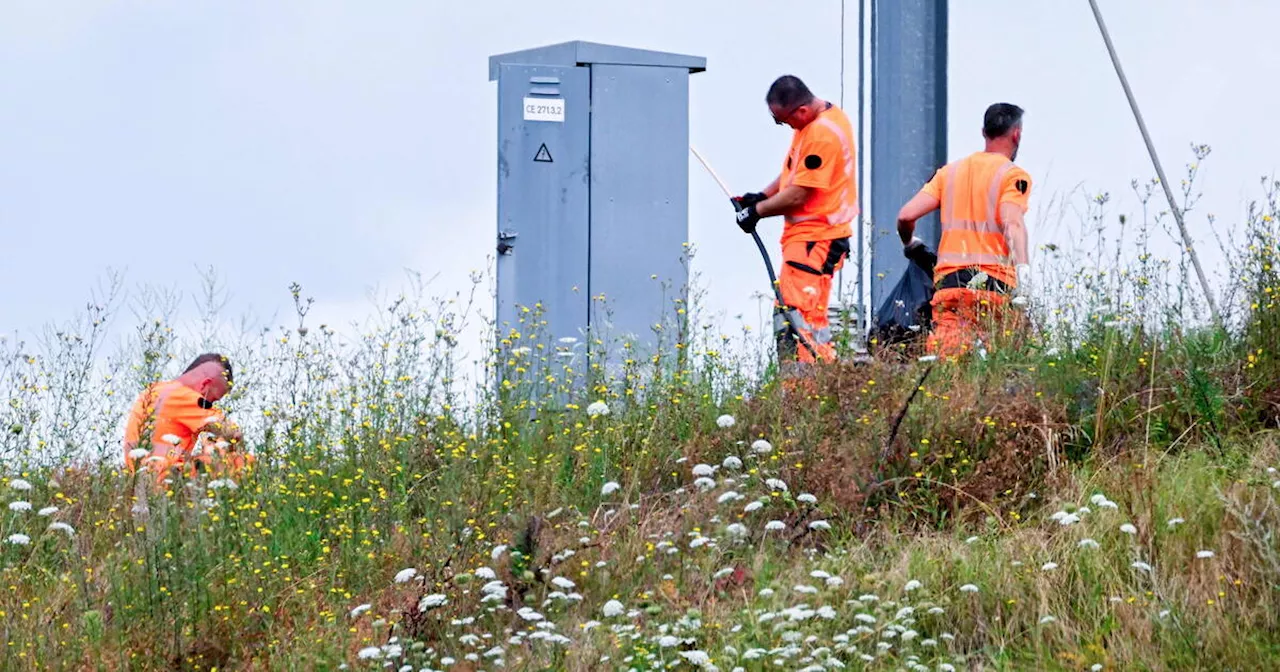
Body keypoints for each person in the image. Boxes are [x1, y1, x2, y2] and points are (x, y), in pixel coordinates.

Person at [732, 75, 857, 365]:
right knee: (794, 316)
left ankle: (808, 389)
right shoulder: (814, 124)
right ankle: (807, 387)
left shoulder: (822, 134)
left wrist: (757, 212)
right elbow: (796, 174)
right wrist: (760, 196)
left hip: (816, 238)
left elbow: (799, 194)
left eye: (782, 120)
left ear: (799, 111)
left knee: (800, 318)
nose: (783, 126)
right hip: (809, 239)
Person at [895, 102, 1033, 358]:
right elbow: (1012, 222)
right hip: (995, 286)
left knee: (949, 366)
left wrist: (910, 244)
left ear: (984, 132)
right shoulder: (1014, 176)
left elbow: (905, 216)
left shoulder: (949, 173)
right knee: (1000, 367)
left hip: (950, 286)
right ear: (1017, 134)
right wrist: (1023, 270)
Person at [123, 352, 249, 480]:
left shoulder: (153, 390)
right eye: (214, 400)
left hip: (138, 482)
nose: (212, 404)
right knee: (240, 461)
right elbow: (233, 433)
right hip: (166, 483)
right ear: (205, 385)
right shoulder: (187, 397)